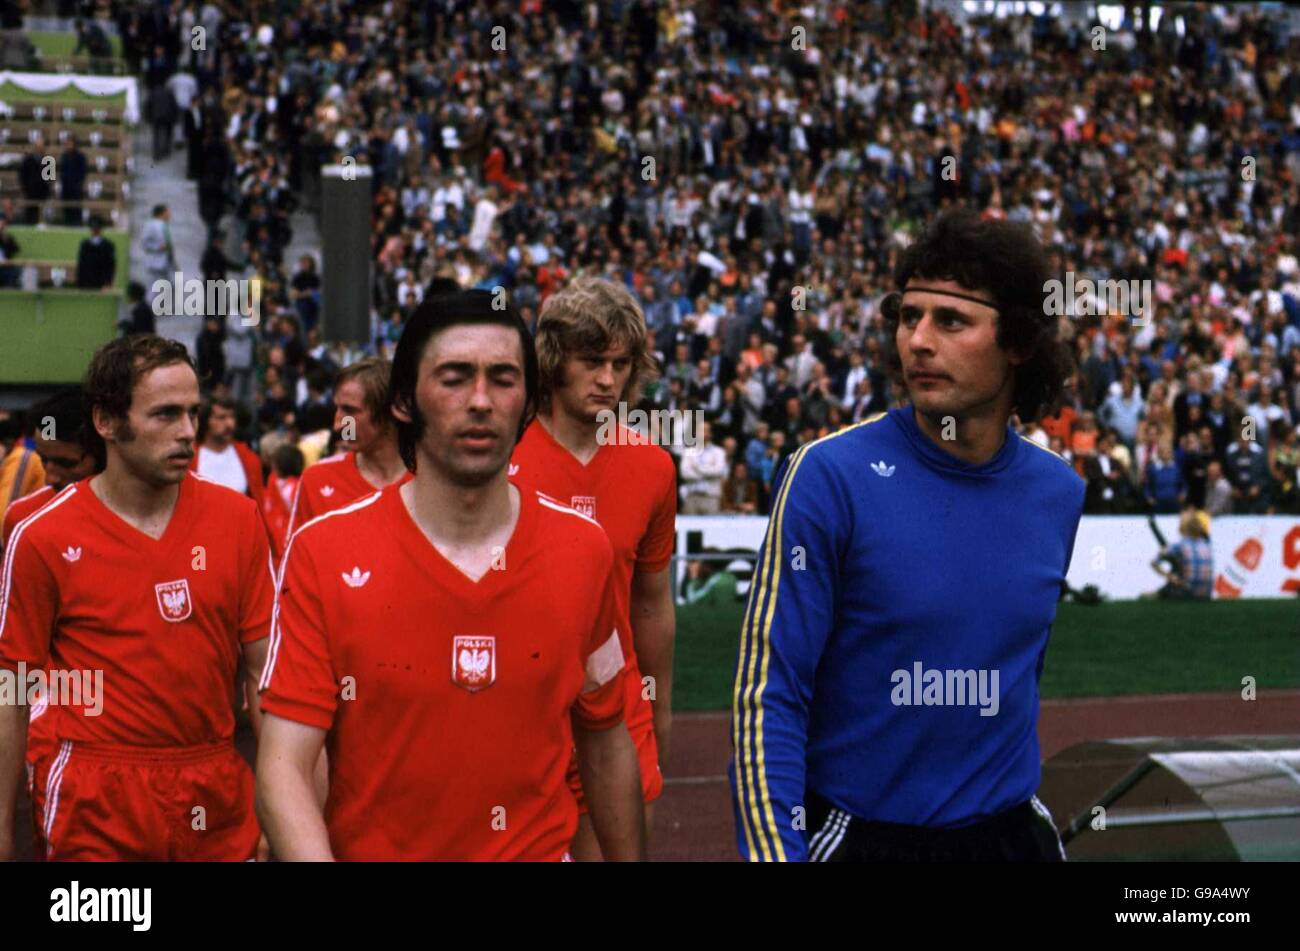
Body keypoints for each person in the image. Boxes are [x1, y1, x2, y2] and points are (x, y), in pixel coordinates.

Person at [731, 210, 1084, 862]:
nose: (918, 340)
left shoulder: (1059, 493)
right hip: (867, 838)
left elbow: (1013, 675)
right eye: (907, 315)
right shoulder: (827, 476)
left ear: (1018, 342)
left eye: (951, 321)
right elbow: (767, 695)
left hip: (1009, 838)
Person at [256, 290, 646, 860]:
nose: (482, 401)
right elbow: (285, 764)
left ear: (529, 401)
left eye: (504, 378)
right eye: (455, 377)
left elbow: (607, 739)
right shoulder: (325, 551)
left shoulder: (584, 551)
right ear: (405, 403)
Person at [0, 335, 273, 861]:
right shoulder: (42, 537)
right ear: (107, 422)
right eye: (166, 415)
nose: (188, 432)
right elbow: (12, 695)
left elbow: (264, 678)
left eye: (194, 413)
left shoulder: (238, 521)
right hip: (94, 794)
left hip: (214, 789)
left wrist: (276, 809)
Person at [509, 277, 675, 859]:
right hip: (520, 719)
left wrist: (659, 710)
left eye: (621, 363)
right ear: (554, 361)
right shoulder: (498, 460)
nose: (608, 379)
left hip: (618, 713)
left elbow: (651, 601)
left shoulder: (652, 467)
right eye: (592, 361)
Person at [284, 357, 412, 539]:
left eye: (350, 411)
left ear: (389, 412)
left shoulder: (434, 480)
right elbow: (293, 561)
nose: (338, 425)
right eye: (337, 409)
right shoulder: (317, 480)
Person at [188, 396, 265, 509]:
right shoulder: (189, 458)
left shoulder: (248, 458)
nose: (230, 424)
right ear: (205, 421)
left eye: (232, 417)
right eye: (221, 417)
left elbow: (258, 505)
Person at [1141, 509, 1213, 601]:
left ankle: (1160, 594)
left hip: (1185, 593)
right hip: (1205, 595)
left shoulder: (1180, 546)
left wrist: (1170, 577)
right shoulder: (1206, 545)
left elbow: (1154, 562)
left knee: (1144, 596)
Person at [75, 217, 116, 289]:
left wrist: (108, 282)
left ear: (101, 229)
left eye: (97, 227)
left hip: (102, 283)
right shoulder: (85, 245)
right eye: (93, 228)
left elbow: (111, 266)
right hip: (87, 282)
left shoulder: (108, 245)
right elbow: (81, 264)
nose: (95, 230)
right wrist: (80, 282)